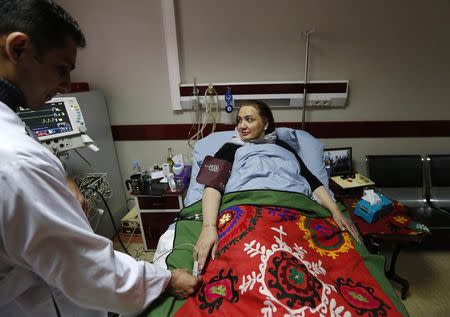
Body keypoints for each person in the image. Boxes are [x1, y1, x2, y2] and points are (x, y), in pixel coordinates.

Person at [0, 1, 200, 316]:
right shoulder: (16, 160)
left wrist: (61, 178)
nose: (65, 86)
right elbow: (89, 271)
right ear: (18, 48)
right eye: (61, 69)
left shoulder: (13, 137)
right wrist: (165, 279)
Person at [193, 100, 361, 273]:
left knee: (322, 255)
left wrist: (335, 210)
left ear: (265, 123)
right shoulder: (230, 148)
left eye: (249, 119)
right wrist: (208, 228)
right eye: (239, 120)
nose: (242, 126)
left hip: (294, 206)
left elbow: (311, 180)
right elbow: (213, 186)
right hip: (248, 205)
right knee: (249, 252)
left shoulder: (284, 147)